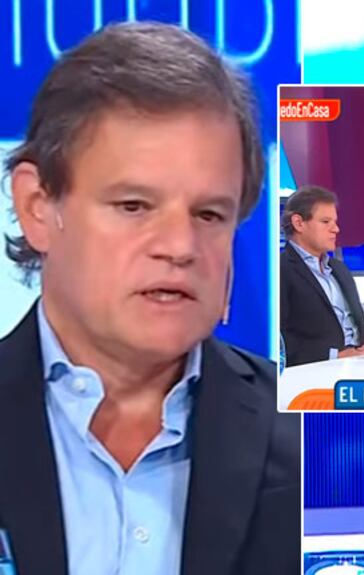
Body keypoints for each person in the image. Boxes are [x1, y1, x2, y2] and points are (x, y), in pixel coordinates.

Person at [0, 22, 298, 575]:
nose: (181, 247)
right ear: (38, 206)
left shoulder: (308, 435)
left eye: (209, 214)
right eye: (134, 206)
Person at [280, 185, 364, 367]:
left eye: (335, 222)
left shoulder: (339, 270)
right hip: (319, 371)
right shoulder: (281, 271)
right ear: (299, 223)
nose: (336, 229)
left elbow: (361, 326)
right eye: (325, 222)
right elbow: (280, 340)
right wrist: (334, 356)